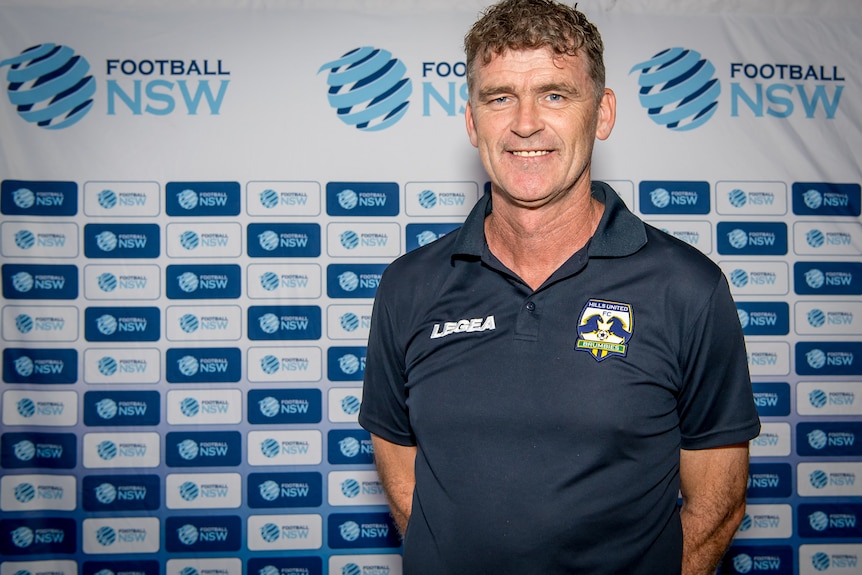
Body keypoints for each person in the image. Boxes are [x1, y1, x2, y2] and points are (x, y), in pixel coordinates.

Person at [358, 0, 761, 573]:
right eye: (500, 98)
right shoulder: (409, 284)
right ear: (472, 121)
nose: (525, 123)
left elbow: (718, 502)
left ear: (601, 114)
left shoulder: (687, 287)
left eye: (554, 94)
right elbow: (399, 463)